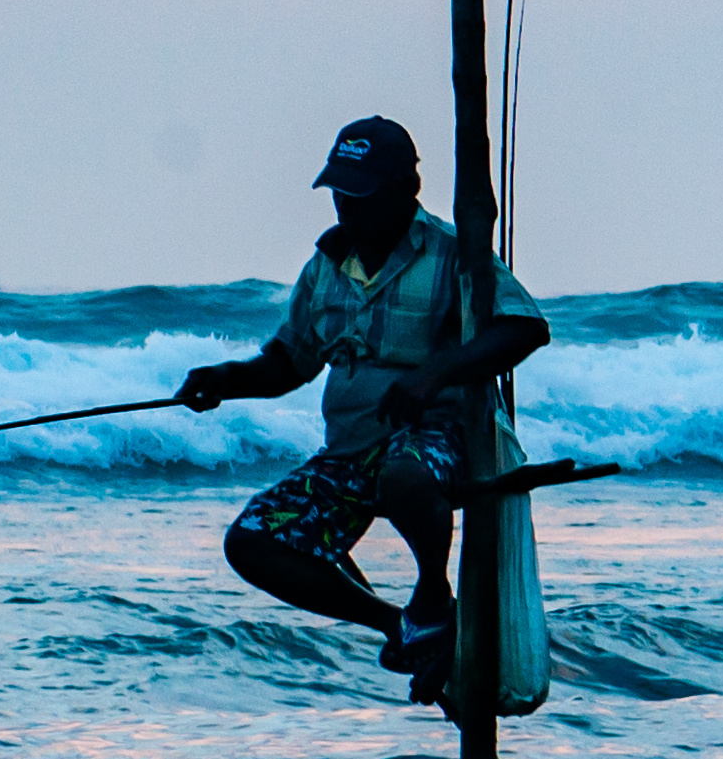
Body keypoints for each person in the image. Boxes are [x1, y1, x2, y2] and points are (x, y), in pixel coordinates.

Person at [175, 118, 548, 697]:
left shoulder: (452, 255)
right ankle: (399, 624)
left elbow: (524, 329)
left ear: (404, 189)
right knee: (250, 541)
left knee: (403, 473)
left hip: (436, 441)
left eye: (362, 194)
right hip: (347, 455)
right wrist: (223, 379)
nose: (346, 208)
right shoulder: (325, 266)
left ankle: (431, 593)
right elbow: (287, 365)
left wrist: (434, 374)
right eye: (339, 193)